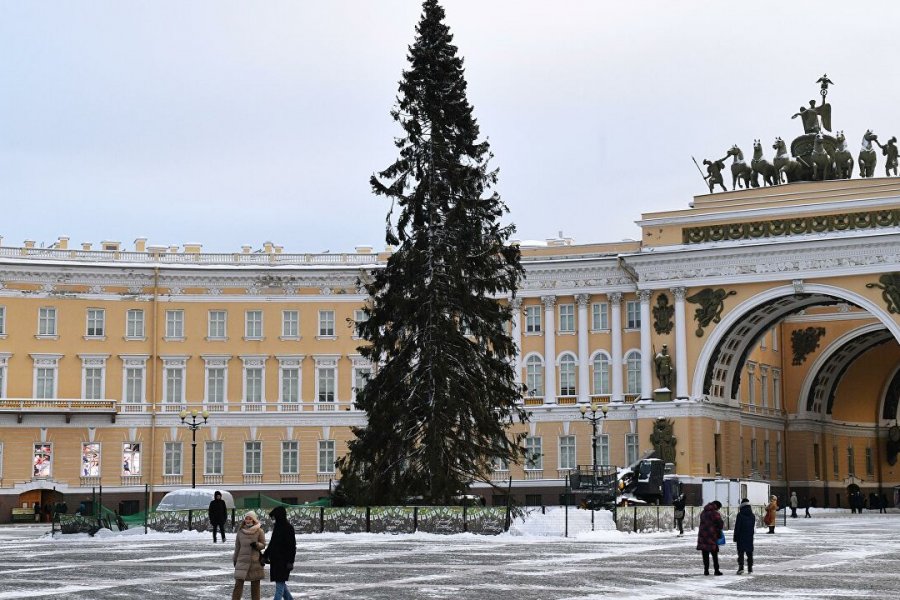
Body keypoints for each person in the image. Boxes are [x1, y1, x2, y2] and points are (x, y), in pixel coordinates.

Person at [263, 506, 297, 600]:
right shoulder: (277, 527)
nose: (273, 519)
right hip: (275, 561)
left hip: (284, 562)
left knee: (279, 586)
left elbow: (292, 546)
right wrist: (265, 556)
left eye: (274, 517)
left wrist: (290, 561)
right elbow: (272, 544)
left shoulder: (288, 528)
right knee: (281, 585)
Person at [233, 511, 266, 600]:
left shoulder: (259, 531)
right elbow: (237, 547)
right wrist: (235, 559)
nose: (247, 520)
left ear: (254, 519)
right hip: (242, 561)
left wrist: (257, 545)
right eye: (246, 518)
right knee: (238, 584)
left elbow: (263, 545)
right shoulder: (240, 531)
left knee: (255, 586)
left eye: (250, 518)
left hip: (254, 562)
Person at [696, 500, 724, 576]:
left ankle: (706, 571)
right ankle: (716, 570)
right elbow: (720, 524)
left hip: (703, 536)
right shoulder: (715, 513)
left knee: (705, 554)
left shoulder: (703, 512)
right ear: (717, 506)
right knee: (714, 554)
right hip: (712, 536)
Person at [733, 498, 755, 575]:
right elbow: (752, 526)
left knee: (741, 552)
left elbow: (737, 527)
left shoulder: (740, 515)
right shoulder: (752, 515)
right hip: (749, 536)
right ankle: (750, 568)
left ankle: (741, 567)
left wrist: (735, 537)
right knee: (749, 553)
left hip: (741, 536)